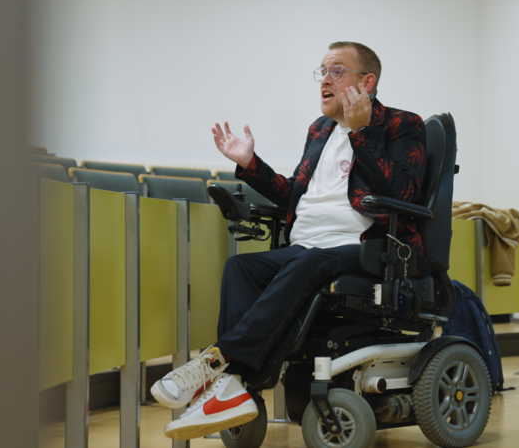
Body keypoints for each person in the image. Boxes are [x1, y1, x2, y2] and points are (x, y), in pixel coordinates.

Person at [151, 41, 428, 440]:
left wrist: (363, 132)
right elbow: (293, 195)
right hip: (307, 247)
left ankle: (219, 364)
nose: (324, 81)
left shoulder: (403, 125)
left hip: (368, 248)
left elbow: (404, 195)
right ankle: (237, 388)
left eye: (337, 71)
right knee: (241, 267)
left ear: (367, 82)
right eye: (322, 72)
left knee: (308, 262)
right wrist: (250, 164)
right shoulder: (319, 130)